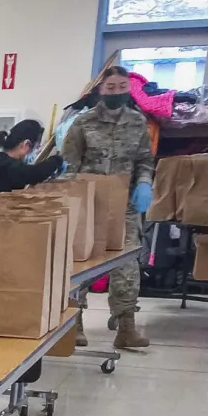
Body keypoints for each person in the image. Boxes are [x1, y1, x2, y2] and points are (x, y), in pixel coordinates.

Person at [64, 66, 155, 350]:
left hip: (125, 204)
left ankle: (125, 326)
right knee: (82, 263)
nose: (116, 91)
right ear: (100, 90)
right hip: (90, 202)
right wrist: (71, 198)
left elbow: (144, 160)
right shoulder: (83, 122)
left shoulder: (138, 122)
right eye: (110, 87)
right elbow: (69, 164)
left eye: (121, 86)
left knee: (127, 264)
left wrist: (144, 183)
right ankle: (74, 322)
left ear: (129, 88)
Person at [0, 120, 63, 222]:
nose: (33, 154)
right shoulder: (8, 166)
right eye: (35, 149)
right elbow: (34, 173)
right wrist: (57, 160)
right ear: (25, 144)